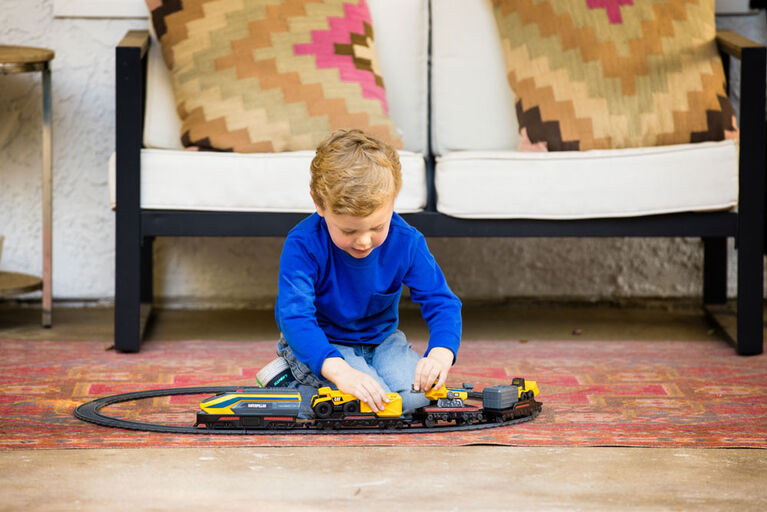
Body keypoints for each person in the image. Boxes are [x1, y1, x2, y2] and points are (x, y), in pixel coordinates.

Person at [269, 129, 462, 416]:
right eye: (348, 230)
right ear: (319, 204)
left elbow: (441, 301)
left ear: (393, 202)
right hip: (324, 343)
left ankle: (362, 379)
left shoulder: (407, 241)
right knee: (363, 405)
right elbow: (295, 316)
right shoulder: (303, 244)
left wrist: (440, 354)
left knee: (413, 399)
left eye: (377, 227)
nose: (363, 241)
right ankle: (282, 382)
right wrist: (341, 372)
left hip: (382, 341)